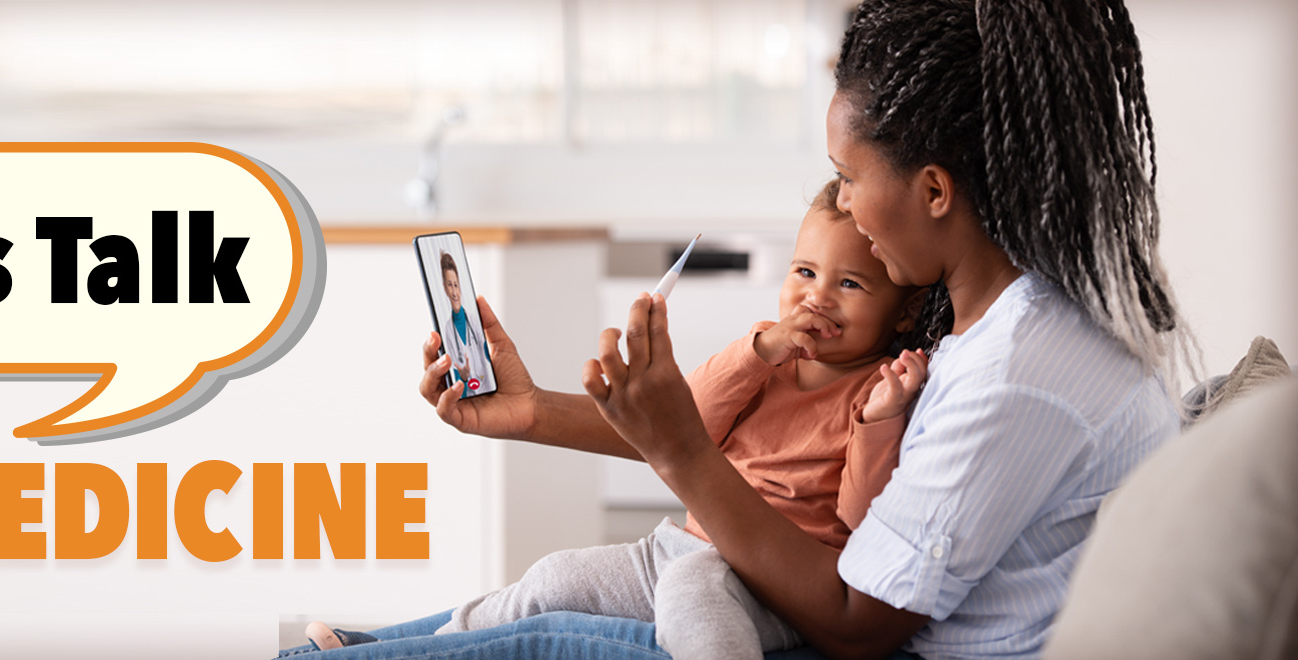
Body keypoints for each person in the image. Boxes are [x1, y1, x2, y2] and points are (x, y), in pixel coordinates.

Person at [277, 1, 1195, 658]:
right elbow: (714, 434)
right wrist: (535, 412)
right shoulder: (991, 320)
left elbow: (854, 614)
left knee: (557, 631)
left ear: (934, 191)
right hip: (762, 584)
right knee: (551, 589)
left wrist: (683, 455)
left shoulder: (1011, 371)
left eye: (847, 175)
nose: (841, 205)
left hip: (807, 622)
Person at [297, 180, 931, 660]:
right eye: (805, 272)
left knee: (693, 595)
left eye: (850, 284)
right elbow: (688, 422)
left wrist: (880, 423)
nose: (817, 296)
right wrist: (761, 351)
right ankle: (388, 650)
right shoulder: (763, 354)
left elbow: (858, 523)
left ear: (903, 313)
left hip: (769, 580)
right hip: (678, 546)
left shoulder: (878, 393)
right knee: (552, 578)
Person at [437, 252, 496, 398]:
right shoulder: (448, 331)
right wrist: (463, 378)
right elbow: (458, 388)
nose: (454, 292)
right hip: (470, 397)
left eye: (456, 285)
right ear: (444, 289)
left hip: (489, 388)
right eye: (450, 286)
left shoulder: (474, 320)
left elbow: (491, 357)